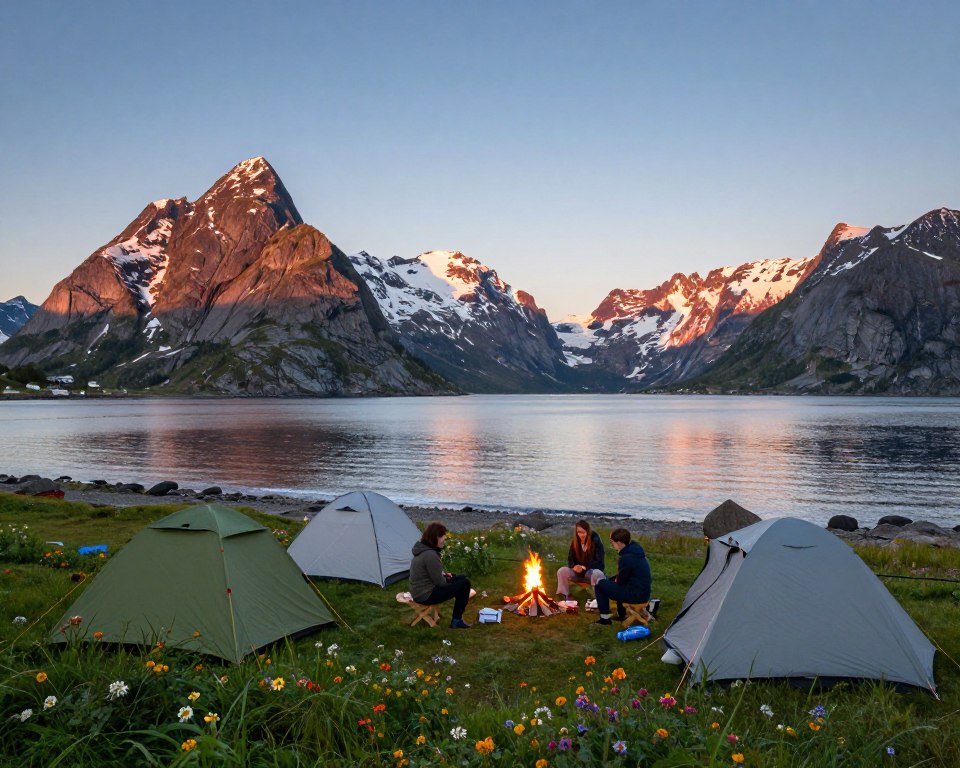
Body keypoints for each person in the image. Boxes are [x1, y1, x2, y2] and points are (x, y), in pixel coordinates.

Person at [410, 522, 473, 629]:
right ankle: (456, 621)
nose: (444, 540)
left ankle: (457, 620)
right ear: (436, 537)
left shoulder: (424, 550)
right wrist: (449, 579)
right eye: (443, 538)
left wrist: (448, 576)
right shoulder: (430, 555)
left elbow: (432, 574)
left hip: (420, 591)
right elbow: (440, 582)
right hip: (425, 595)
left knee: (461, 578)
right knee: (464, 584)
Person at [593, 528, 651, 626]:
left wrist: (609, 581)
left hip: (635, 595)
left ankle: (604, 619)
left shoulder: (626, 558)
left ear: (619, 542)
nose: (612, 545)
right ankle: (621, 615)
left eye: (612, 542)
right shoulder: (637, 553)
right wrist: (611, 580)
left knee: (599, 585)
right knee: (610, 582)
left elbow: (620, 582)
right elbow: (627, 577)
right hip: (644, 593)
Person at [555, 519, 605, 601]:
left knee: (597, 573)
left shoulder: (595, 541)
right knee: (562, 571)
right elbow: (570, 559)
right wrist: (574, 566)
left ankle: (597, 600)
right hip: (577, 572)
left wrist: (584, 567)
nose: (581, 535)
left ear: (587, 531)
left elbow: (599, 561)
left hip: (590, 571)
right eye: (579, 532)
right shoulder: (575, 542)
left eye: (583, 532)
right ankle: (564, 597)